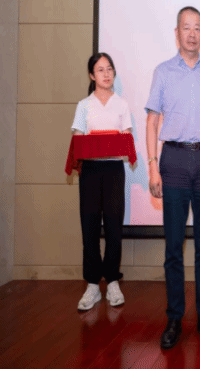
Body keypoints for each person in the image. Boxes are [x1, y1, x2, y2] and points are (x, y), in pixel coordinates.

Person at [145, 6, 200, 350]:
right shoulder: (163, 72)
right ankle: (174, 319)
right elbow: (152, 121)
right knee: (173, 246)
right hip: (175, 160)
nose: (192, 34)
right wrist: (153, 166)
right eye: (186, 27)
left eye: (197, 28)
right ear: (177, 33)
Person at [72, 52, 132, 310]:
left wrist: (113, 143)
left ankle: (113, 281)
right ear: (91, 75)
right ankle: (93, 285)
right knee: (89, 227)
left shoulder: (122, 104)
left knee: (114, 226)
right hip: (90, 171)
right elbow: (77, 137)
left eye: (109, 69)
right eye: (100, 70)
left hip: (114, 170)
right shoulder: (83, 105)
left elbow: (126, 137)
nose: (106, 74)